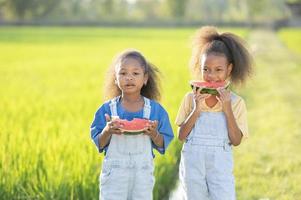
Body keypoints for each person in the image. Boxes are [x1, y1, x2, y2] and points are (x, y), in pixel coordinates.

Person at [175, 26, 253, 200]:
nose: (211, 76)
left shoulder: (236, 102)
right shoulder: (190, 98)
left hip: (220, 167)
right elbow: (181, 136)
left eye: (218, 70)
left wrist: (227, 110)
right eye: (206, 69)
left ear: (229, 69)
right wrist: (196, 109)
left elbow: (236, 140)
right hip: (192, 165)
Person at [90, 49, 174, 200]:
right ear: (115, 79)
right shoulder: (107, 110)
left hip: (142, 175)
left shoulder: (155, 110)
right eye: (123, 73)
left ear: (145, 78)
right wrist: (107, 130)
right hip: (114, 176)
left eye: (135, 73)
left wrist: (154, 134)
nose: (129, 78)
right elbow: (99, 143)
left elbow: (163, 142)